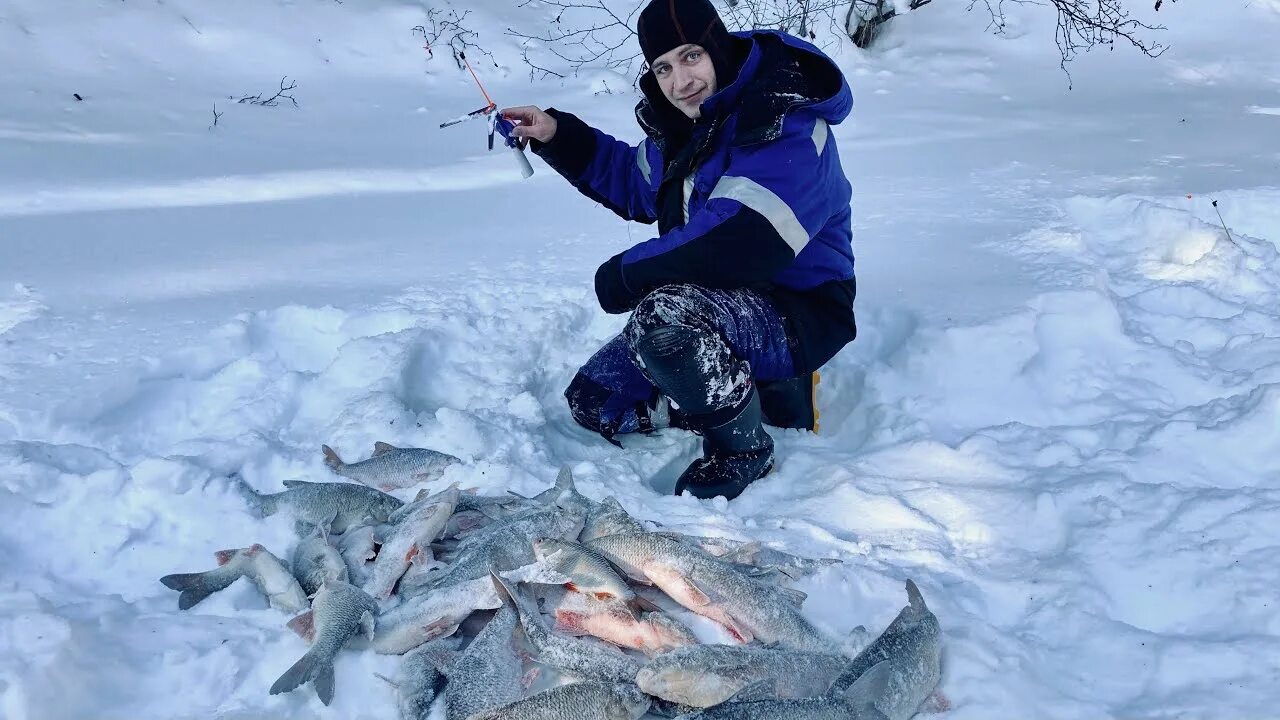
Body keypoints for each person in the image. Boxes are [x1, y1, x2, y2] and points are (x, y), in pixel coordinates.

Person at [502, 0, 856, 501]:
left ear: (717, 48)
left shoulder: (788, 124)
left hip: (796, 311)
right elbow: (633, 180)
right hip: (717, 298)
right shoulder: (688, 128)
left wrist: (627, 272)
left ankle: (743, 448)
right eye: (663, 67)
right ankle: (728, 389)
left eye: (691, 57)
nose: (679, 80)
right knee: (596, 399)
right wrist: (558, 135)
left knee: (663, 320)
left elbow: (739, 240)